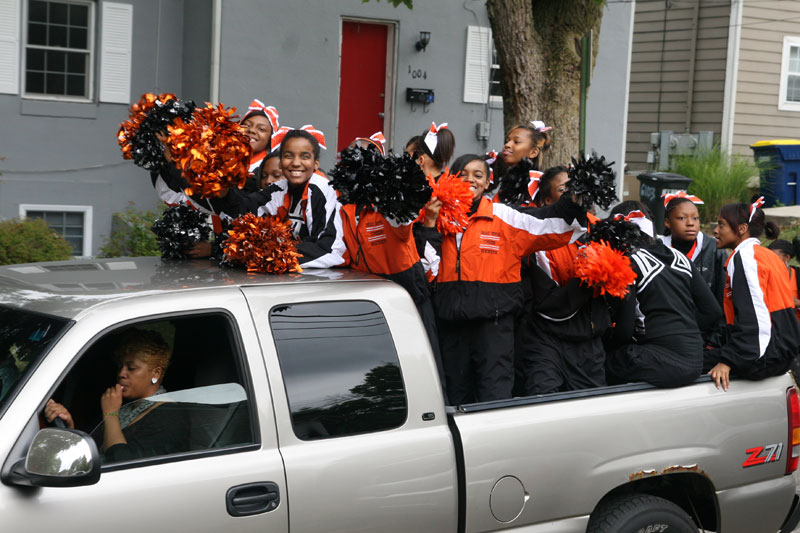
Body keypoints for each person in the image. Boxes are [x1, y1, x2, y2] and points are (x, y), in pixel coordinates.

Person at [418, 154, 588, 404]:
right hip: (451, 326)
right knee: (456, 398)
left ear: (488, 183)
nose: (470, 180)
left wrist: (574, 200)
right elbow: (423, 266)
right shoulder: (436, 215)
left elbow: (549, 222)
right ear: (451, 178)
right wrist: (430, 224)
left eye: (478, 175)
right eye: (462, 174)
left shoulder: (505, 217)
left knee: (494, 398)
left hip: (494, 329)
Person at [604, 202, 722, 388]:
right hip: (695, 359)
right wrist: (683, 328)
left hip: (665, 363)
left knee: (602, 362)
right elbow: (713, 311)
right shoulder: (680, 257)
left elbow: (625, 330)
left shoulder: (629, 264)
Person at [514, 166, 610, 395]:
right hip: (546, 341)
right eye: (565, 189)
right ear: (549, 201)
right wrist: (587, 279)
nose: (575, 194)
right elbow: (549, 304)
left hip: (589, 344)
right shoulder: (536, 243)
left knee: (591, 415)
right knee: (544, 406)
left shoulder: (601, 230)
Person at [44, 329, 190, 463]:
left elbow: (121, 463)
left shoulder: (170, 416)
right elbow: (90, 450)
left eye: (131, 368)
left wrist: (110, 414)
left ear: (155, 373)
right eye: (121, 366)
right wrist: (70, 427)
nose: (121, 374)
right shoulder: (126, 407)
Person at [209, 128, 346, 269]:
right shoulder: (279, 189)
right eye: (288, 156)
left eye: (304, 157)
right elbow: (245, 211)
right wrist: (222, 187)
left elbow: (328, 249)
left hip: (332, 277)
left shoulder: (322, 189)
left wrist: (275, 256)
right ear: (280, 162)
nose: (296, 163)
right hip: (294, 274)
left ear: (315, 163)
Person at [704, 199, 800, 390]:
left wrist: (729, 360)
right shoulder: (767, 254)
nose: (715, 231)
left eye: (721, 224)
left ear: (742, 228)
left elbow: (755, 318)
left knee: (688, 365)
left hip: (765, 354)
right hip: (781, 349)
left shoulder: (746, 257)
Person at [491, 121, 550, 204]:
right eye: (507, 141)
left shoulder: (539, 188)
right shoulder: (507, 181)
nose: (507, 145)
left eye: (516, 142)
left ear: (533, 152)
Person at [767, 239, 800, 322]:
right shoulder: (766, 277)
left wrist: (797, 302)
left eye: (774, 257)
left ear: (787, 257)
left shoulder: (798, 274)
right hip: (778, 329)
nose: (770, 261)